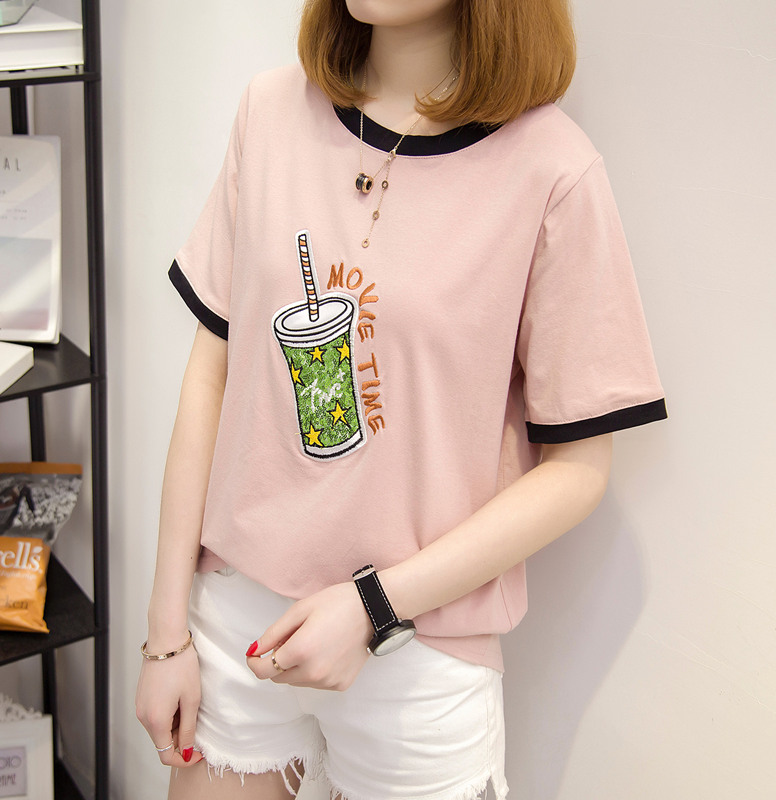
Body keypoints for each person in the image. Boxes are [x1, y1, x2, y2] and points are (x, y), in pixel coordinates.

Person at [135, 0, 667, 798]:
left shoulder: (553, 171)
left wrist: (370, 606)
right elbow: (210, 375)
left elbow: (579, 468)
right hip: (239, 621)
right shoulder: (269, 112)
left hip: (417, 646)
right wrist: (165, 634)